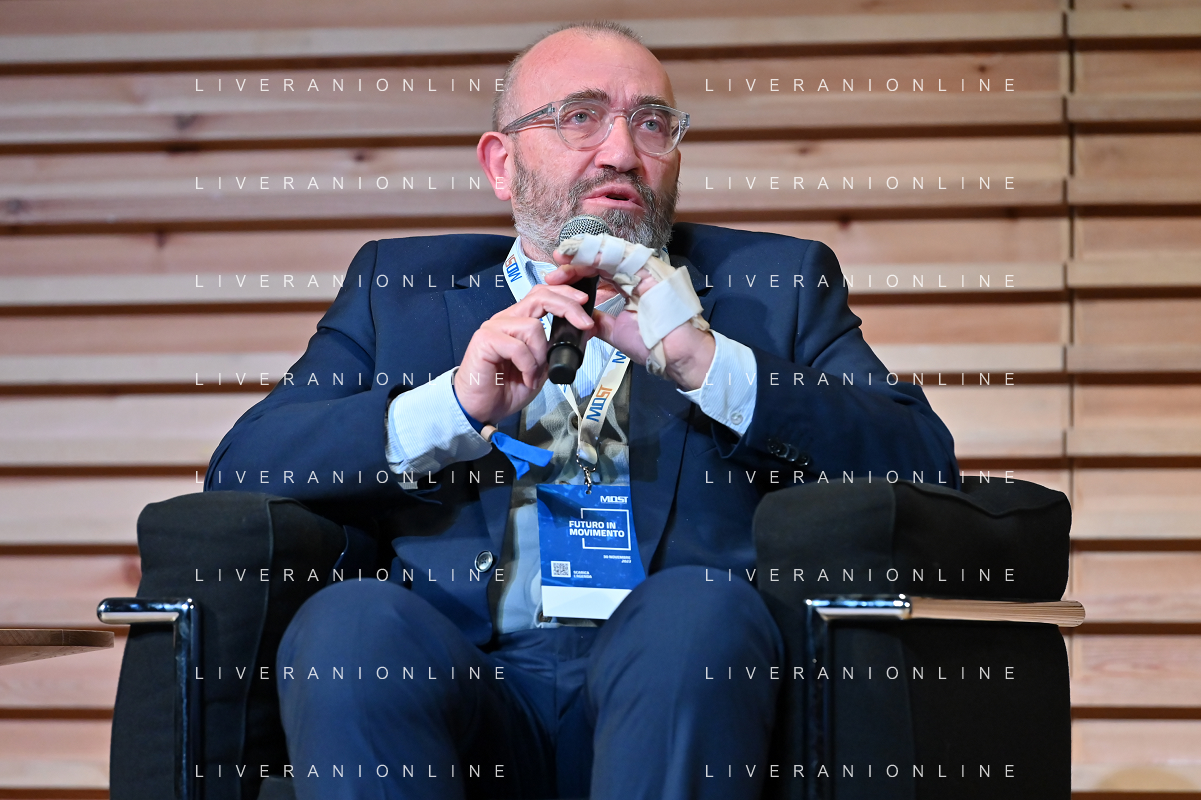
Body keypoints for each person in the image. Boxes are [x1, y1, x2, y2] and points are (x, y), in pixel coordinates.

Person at [205, 20, 958, 800]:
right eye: (580, 117)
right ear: (501, 164)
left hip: (672, 677)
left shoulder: (775, 286)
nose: (621, 152)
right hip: (467, 689)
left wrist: (706, 364)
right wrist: (452, 405)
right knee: (351, 624)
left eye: (652, 123)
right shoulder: (397, 290)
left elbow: (921, 460)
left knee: (693, 612)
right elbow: (244, 466)